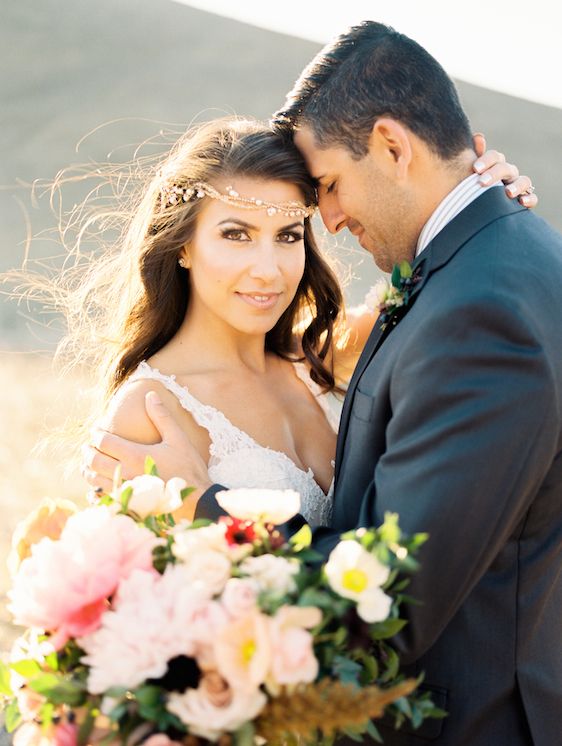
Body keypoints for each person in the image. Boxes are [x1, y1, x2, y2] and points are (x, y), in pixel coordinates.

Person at [80, 54, 550, 746]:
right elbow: (134, 648)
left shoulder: (325, 357)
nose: (268, 269)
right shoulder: (150, 414)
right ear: (182, 247)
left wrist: (479, 196)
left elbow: (448, 274)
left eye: (290, 233)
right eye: (235, 234)